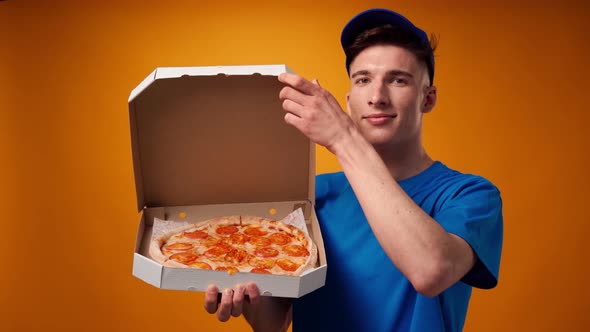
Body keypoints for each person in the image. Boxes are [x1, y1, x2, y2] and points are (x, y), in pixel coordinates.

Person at [203, 7, 503, 332]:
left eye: (398, 80)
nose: (377, 97)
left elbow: (431, 271)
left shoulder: (471, 195)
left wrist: (343, 138)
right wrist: (247, 298)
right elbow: (274, 321)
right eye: (363, 80)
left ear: (427, 99)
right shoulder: (311, 195)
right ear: (348, 100)